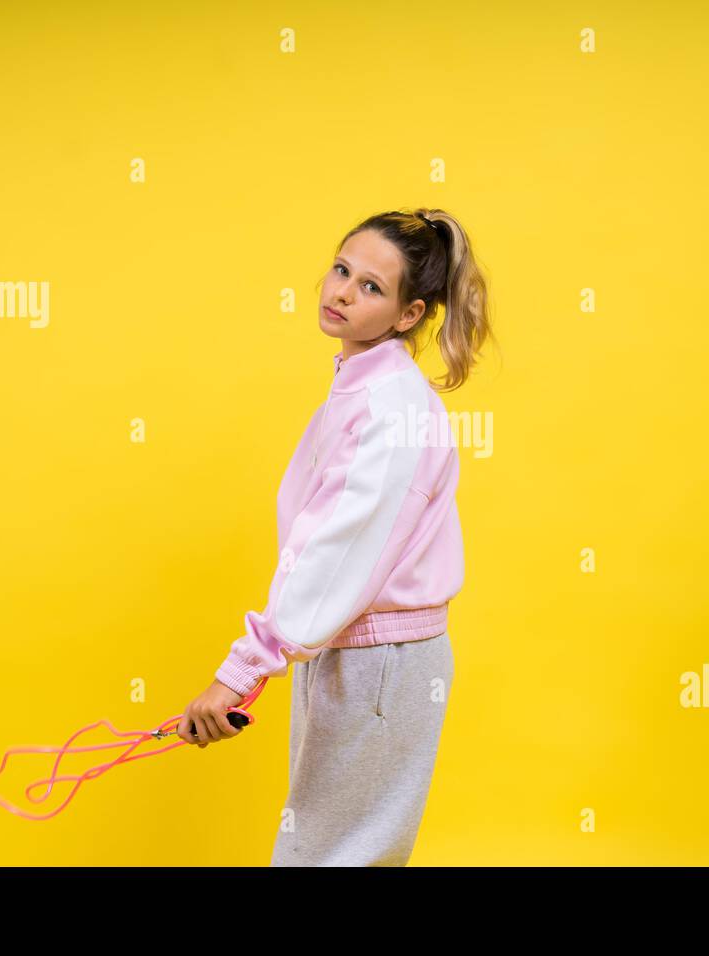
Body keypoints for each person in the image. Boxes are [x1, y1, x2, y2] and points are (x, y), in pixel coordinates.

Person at [177, 208, 497, 865]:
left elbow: (337, 555)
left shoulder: (389, 410)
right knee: (335, 851)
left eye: (371, 287)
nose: (343, 291)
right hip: (356, 656)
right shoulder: (361, 393)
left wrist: (241, 672)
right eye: (342, 269)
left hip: (382, 666)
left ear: (409, 314)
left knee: (332, 857)